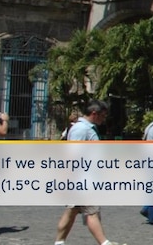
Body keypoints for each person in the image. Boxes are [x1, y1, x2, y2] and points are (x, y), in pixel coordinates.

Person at [54, 99, 126, 245]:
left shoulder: (86, 128)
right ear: (94, 114)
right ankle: (105, 243)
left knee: (71, 212)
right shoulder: (81, 130)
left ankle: (59, 242)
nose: (104, 119)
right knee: (92, 212)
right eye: (103, 116)